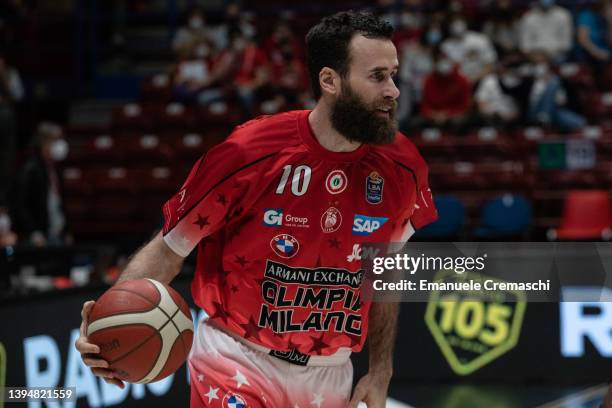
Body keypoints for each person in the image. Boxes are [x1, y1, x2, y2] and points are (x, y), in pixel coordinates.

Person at [75, 11, 438, 408]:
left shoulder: (404, 167)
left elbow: (383, 268)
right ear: (330, 81)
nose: (393, 91)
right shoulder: (249, 152)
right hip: (235, 359)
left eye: (393, 75)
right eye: (377, 76)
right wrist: (110, 323)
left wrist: (381, 367)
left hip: (331, 373)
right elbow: (168, 249)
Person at [12, 122, 69, 246]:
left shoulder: (55, 169)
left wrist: (66, 231)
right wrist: (33, 232)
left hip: (56, 233)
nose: (61, 144)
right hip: (38, 238)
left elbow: (57, 202)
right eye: (57, 140)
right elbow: (20, 205)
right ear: (44, 142)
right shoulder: (30, 169)